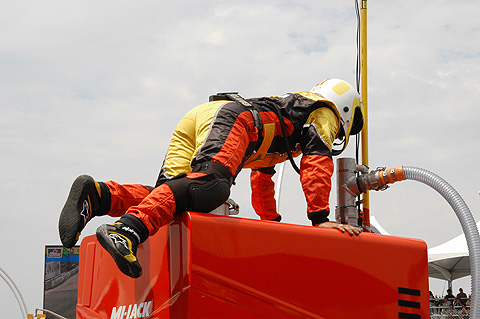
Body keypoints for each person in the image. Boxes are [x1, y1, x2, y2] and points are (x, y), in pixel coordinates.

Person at [58, 78, 365, 278]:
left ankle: (99, 196)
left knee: (175, 195)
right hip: (236, 119)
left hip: (204, 115)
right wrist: (319, 217)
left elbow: (262, 178)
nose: (338, 133)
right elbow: (317, 162)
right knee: (209, 187)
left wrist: (271, 225)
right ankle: (127, 231)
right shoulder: (325, 113)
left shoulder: (290, 117)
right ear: (346, 110)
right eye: (345, 128)